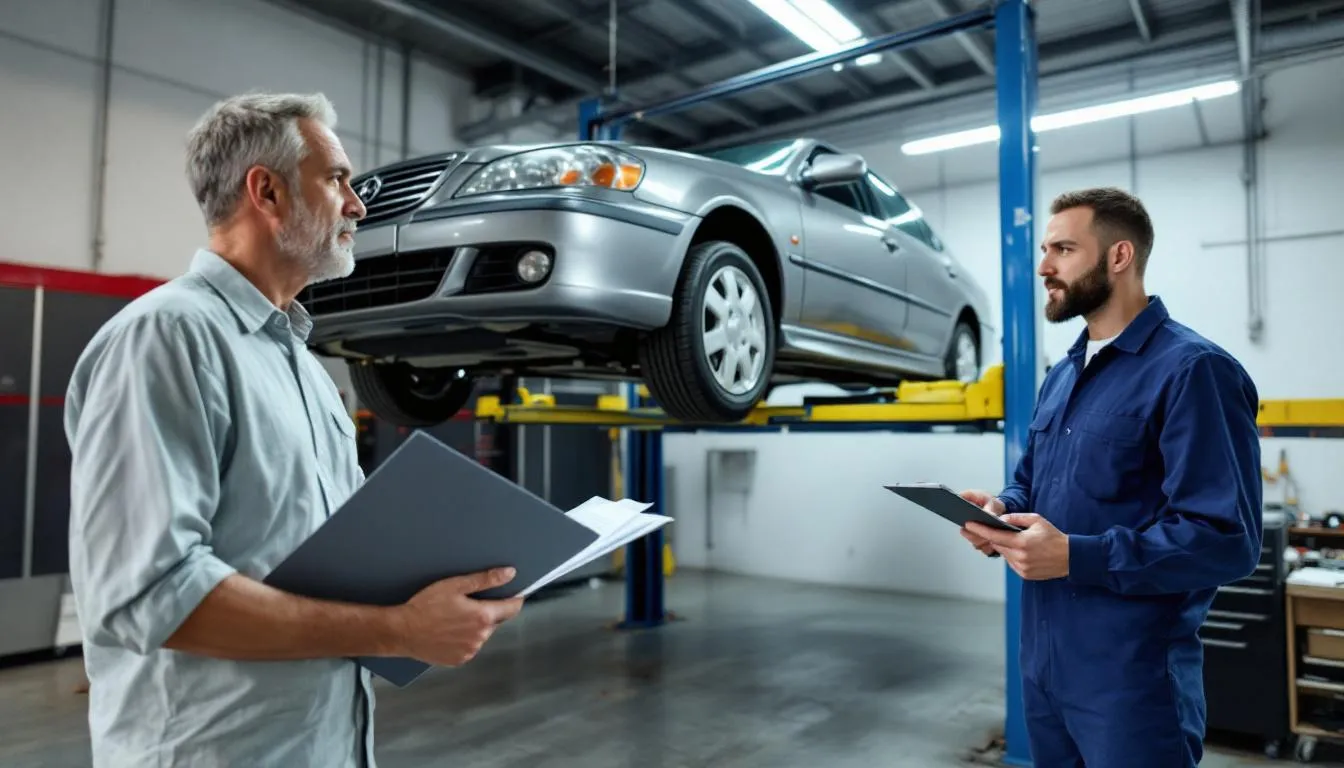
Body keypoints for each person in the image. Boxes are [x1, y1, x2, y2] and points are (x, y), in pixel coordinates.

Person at [63, 92, 524, 767]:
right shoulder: (166, 339)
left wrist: (453, 593)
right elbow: (152, 596)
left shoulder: (304, 368)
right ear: (268, 192)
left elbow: (333, 555)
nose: (358, 205)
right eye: (338, 180)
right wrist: (398, 630)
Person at [958, 187, 1263, 768]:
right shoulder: (1063, 376)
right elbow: (1032, 484)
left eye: (1064, 249)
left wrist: (1076, 555)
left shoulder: (1195, 371)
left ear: (1119, 257)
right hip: (1044, 669)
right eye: (1046, 249)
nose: (1044, 266)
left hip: (1132, 682)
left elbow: (1227, 539)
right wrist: (1000, 511)